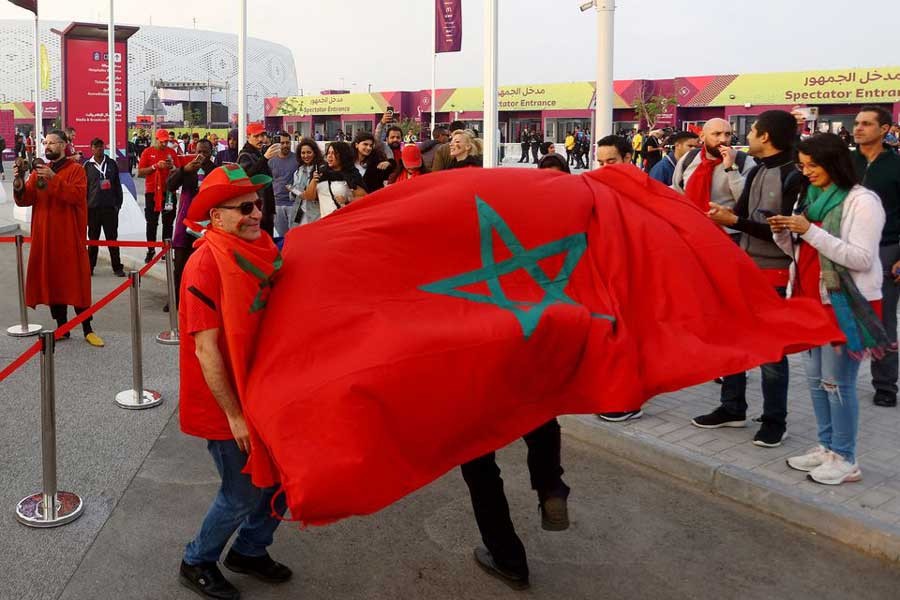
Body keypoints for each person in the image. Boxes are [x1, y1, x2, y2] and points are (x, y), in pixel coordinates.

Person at [178, 163, 292, 600]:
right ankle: (196, 559)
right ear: (217, 217)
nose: (256, 213)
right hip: (227, 404)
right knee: (242, 493)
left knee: (282, 480)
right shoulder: (204, 265)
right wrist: (234, 415)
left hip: (264, 392)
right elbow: (206, 351)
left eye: (257, 204)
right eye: (243, 207)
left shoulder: (262, 248)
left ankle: (249, 549)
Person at [771, 134, 888, 485]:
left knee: (839, 384)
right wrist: (784, 232)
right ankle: (826, 447)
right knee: (816, 382)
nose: (806, 172)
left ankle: (847, 457)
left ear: (834, 162)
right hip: (809, 300)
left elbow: (861, 258)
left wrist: (808, 231)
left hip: (843, 303)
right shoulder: (814, 198)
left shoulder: (862, 201)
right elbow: (801, 250)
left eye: (812, 165)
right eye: (802, 165)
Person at [693, 111, 805, 447]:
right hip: (743, 266)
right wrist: (723, 218)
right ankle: (732, 407)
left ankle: (774, 420)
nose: (747, 136)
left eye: (752, 130)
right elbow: (741, 215)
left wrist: (733, 221)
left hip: (775, 272)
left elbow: (784, 232)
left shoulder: (793, 175)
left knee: (770, 348)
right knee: (733, 338)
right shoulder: (757, 170)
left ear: (766, 137)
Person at [12, 130, 104, 347]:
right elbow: (25, 200)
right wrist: (19, 181)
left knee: (77, 283)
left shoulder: (76, 170)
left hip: (69, 237)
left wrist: (53, 179)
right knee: (54, 284)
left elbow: (75, 196)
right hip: (45, 238)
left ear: (64, 145)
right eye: (45, 142)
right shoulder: (39, 173)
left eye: (52, 143)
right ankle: (62, 327)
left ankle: (88, 328)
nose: (47, 146)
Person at [851, 106, 900, 407]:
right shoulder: (845, 164)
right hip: (844, 249)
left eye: (866, 124)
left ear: (884, 129)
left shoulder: (895, 166)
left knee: (881, 320)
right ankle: (837, 376)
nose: (858, 128)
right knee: (840, 315)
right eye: (856, 123)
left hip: (886, 249)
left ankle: (885, 385)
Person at [671, 118, 754, 218]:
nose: (723, 140)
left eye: (727, 134)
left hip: (729, 231)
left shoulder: (744, 161)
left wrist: (731, 168)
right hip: (692, 226)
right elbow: (677, 191)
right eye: (716, 134)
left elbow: (748, 202)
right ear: (702, 136)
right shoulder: (689, 158)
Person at [168, 138, 217, 307]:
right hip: (185, 223)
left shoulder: (216, 171)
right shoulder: (189, 168)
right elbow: (170, 185)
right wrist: (183, 170)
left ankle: (198, 300)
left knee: (203, 265)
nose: (201, 155)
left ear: (211, 153)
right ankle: (175, 300)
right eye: (198, 151)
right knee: (180, 265)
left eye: (205, 152)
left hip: (206, 225)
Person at [84, 138, 125, 278]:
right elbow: (85, 189)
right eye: (96, 147)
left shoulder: (112, 164)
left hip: (109, 209)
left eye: (101, 146)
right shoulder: (87, 166)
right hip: (93, 209)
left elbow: (117, 185)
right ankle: (90, 267)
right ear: (92, 149)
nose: (99, 149)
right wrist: (85, 207)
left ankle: (117, 267)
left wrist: (118, 205)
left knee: (112, 239)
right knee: (93, 240)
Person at [137, 129, 179, 263]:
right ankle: (150, 250)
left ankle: (166, 251)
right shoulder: (147, 152)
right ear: (155, 140)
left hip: (168, 193)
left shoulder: (171, 152)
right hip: (153, 193)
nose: (164, 144)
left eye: (166, 141)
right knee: (152, 222)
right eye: (162, 142)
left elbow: (178, 171)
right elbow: (140, 172)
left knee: (168, 223)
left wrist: (172, 167)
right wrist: (155, 166)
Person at [303, 142, 366, 218]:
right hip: (325, 220)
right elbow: (309, 197)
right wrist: (313, 181)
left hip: (345, 220)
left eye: (334, 153)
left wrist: (348, 200)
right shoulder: (321, 172)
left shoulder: (351, 174)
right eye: (328, 153)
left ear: (343, 155)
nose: (329, 156)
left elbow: (364, 198)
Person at [238, 122, 279, 236]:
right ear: (248, 137)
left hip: (266, 206)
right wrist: (265, 158)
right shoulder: (245, 155)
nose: (260, 139)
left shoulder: (258, 153)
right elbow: (246, 176)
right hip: (255, 209)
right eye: (256, 136)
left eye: (262, 135)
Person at [267, 132, 298, 238]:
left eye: (287, 143)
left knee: (294, 236)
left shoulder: (297, 159)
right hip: (277, 204)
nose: (285, 145)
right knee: (282, 237)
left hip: (293, 204)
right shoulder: (271, 161)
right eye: (282, 143)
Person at [289, 138, 325, 226]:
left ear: (315, 153)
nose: (306, 156)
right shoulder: (299, 170)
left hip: (316, 215)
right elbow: (293, 194)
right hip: (299, 214)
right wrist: (293, 192)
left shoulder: (322, 169)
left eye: (309, 152)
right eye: (303, 153)